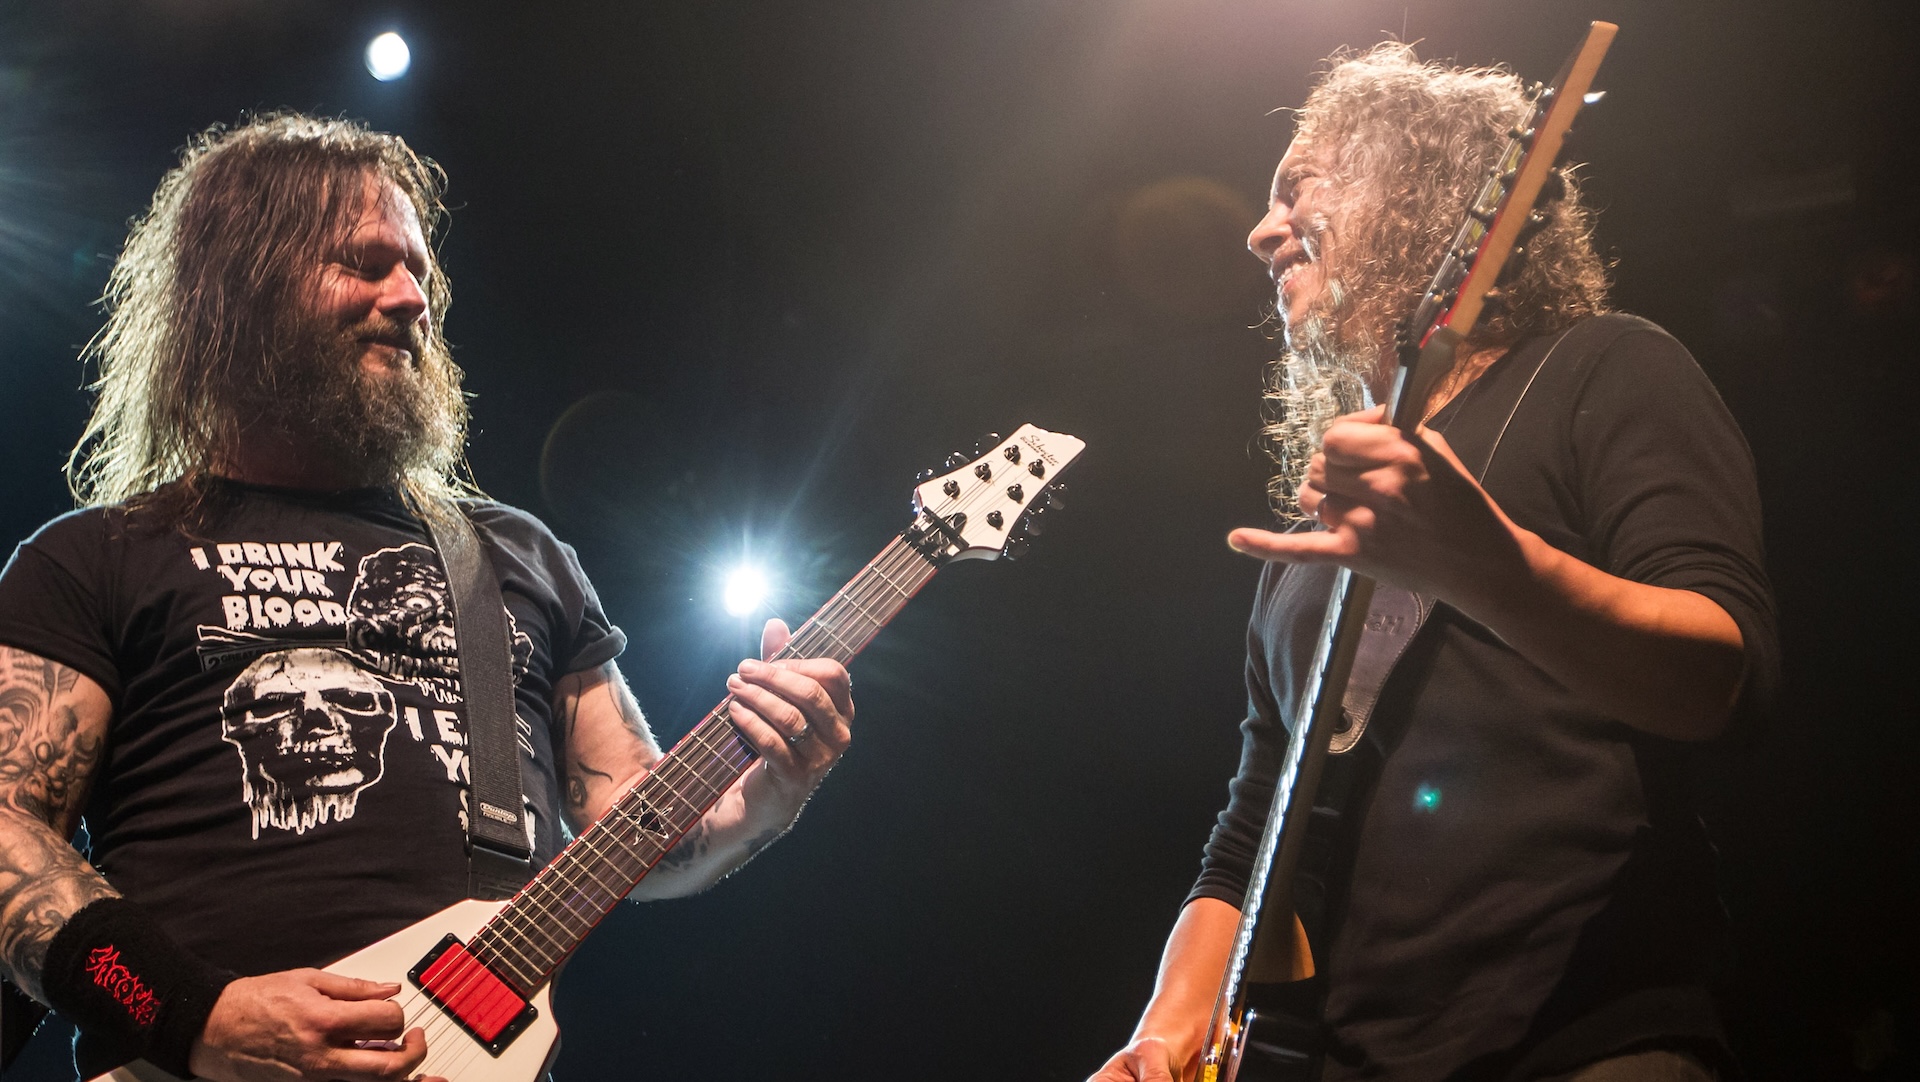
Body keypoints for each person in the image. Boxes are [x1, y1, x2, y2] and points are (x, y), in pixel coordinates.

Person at [0, 113, 854, 1082]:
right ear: (238, 288)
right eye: (364, 264)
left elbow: (646, 836)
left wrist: (769, 796)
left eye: (416, 270)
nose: (410, 297)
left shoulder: (516, 555)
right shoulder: (99, 558)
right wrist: (196, 1011)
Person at [1090, 45, 1777, 1082]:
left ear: (1416, 189)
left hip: (1592, 1039)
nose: (1258, 230)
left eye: (1297, 189)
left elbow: (1724, 674)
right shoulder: (1323, 533)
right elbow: (1248, 839)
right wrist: (1163, 1034)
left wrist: (1491, 567)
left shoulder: (1605, 367)